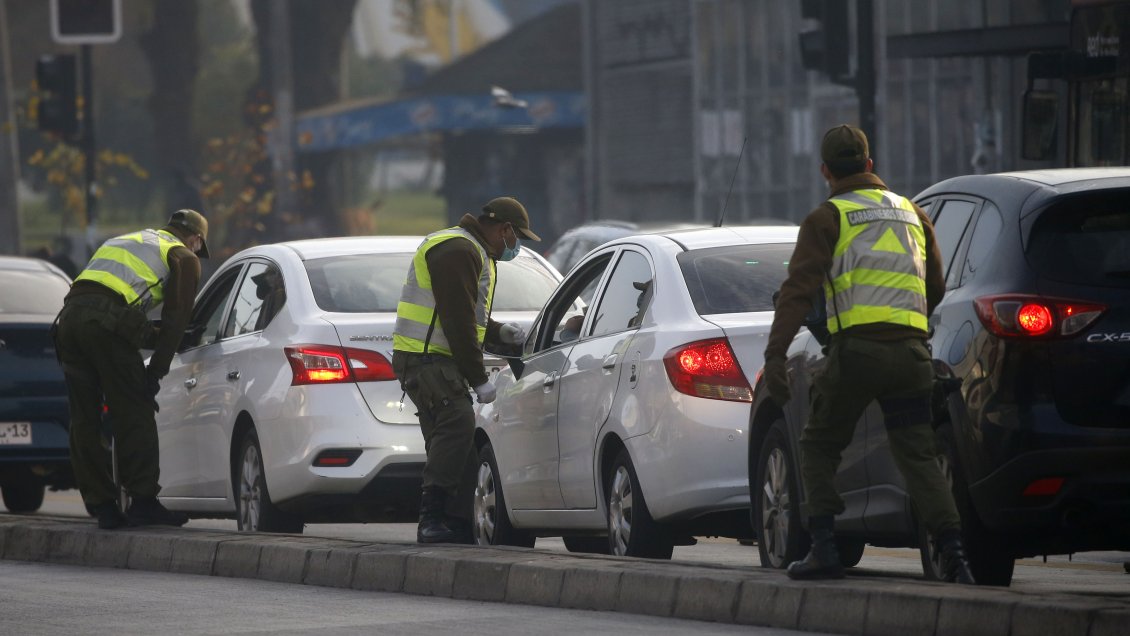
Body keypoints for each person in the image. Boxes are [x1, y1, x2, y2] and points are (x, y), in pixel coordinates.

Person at [762, 125, 975, 584]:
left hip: (856, 354)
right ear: (870, 165)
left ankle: (823, 548)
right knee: (918, 455)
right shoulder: (914, 214)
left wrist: (776, 356)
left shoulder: (826, 219)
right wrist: (907, 325)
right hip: (913, 355)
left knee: (819, 444)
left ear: (825, 171)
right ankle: (954, 554)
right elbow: (934, 287)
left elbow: (797, 294)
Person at [392, 196, 540, 544]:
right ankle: (432, 519)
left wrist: (498, 331)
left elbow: (466, 316)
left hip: (425, 357)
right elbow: (456, 320)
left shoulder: (464, 247)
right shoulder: (460, 251)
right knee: (458, 424)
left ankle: (454, 525)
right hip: (428, 358)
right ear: (504, 229)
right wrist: (478, 380)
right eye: (516, 237)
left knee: (450, 441)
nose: (515, 246)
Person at [54, 209, 210, 529]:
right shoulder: (182, 256)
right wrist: (155, 374)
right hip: (105, 326)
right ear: (195, 239)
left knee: (84, 419)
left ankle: (102, 506)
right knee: (134, 410)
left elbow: (101, 298)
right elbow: (175, 320)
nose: (198, 253)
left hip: (68, 322)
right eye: (199, 247)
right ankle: (143, 503)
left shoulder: (125, 240)